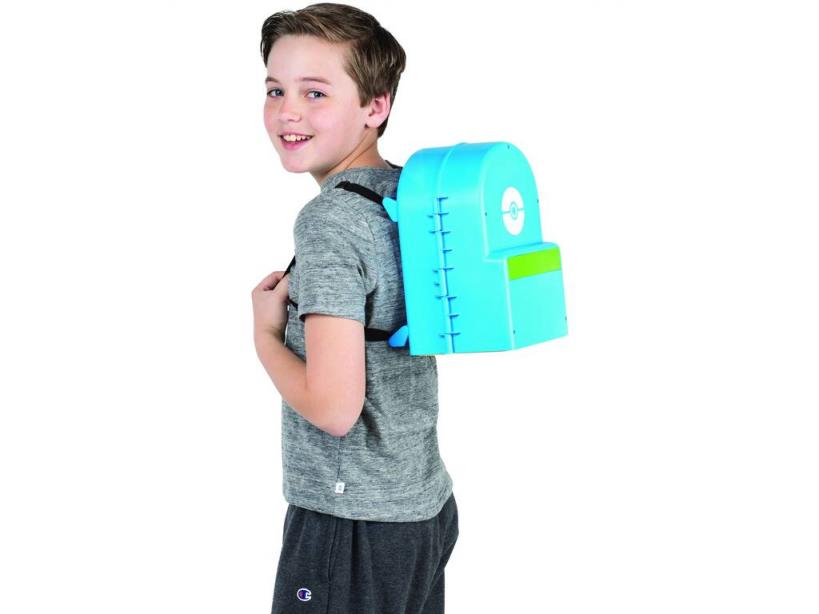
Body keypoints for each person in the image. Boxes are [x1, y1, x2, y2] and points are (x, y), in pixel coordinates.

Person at [251, 4, 459, 613]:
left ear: (376, 106)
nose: (288, 111)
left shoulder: (330, 222)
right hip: (421, 507)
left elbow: (334, 408)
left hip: (350, 522)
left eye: (315, 92)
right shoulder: (407, 195)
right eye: (275, 89)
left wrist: (265, 336)